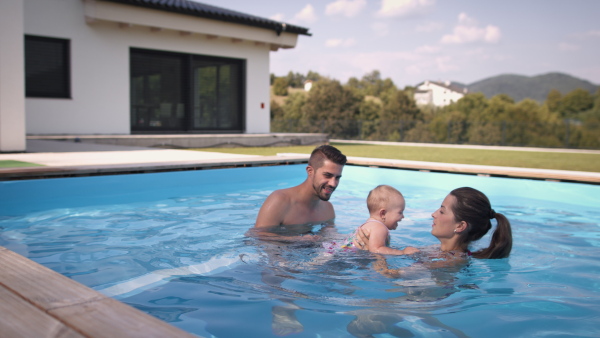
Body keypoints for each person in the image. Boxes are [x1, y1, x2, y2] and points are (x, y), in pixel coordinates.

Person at [356, 186, 512, 261]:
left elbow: (391, 281)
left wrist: (372, 255)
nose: (433, 214)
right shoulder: (438, 251)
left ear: (460, 226)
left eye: (442, 211)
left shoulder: (448, 263)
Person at [254, 145, 347, 236]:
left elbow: (331, 240)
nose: (333, 183)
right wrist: (299, 240)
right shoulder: (280, 200)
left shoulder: (327, 209)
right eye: (327, 175)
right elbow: (258, 236)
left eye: (337, 177)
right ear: (310, 171)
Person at [326, 185, 419, 255]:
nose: (403, 217)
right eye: (400, 212)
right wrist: (402, 252)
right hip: (342, 256)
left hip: (335, 251)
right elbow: (376, 250)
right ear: (383, 213)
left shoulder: (370, 224)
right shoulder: (379, 228)